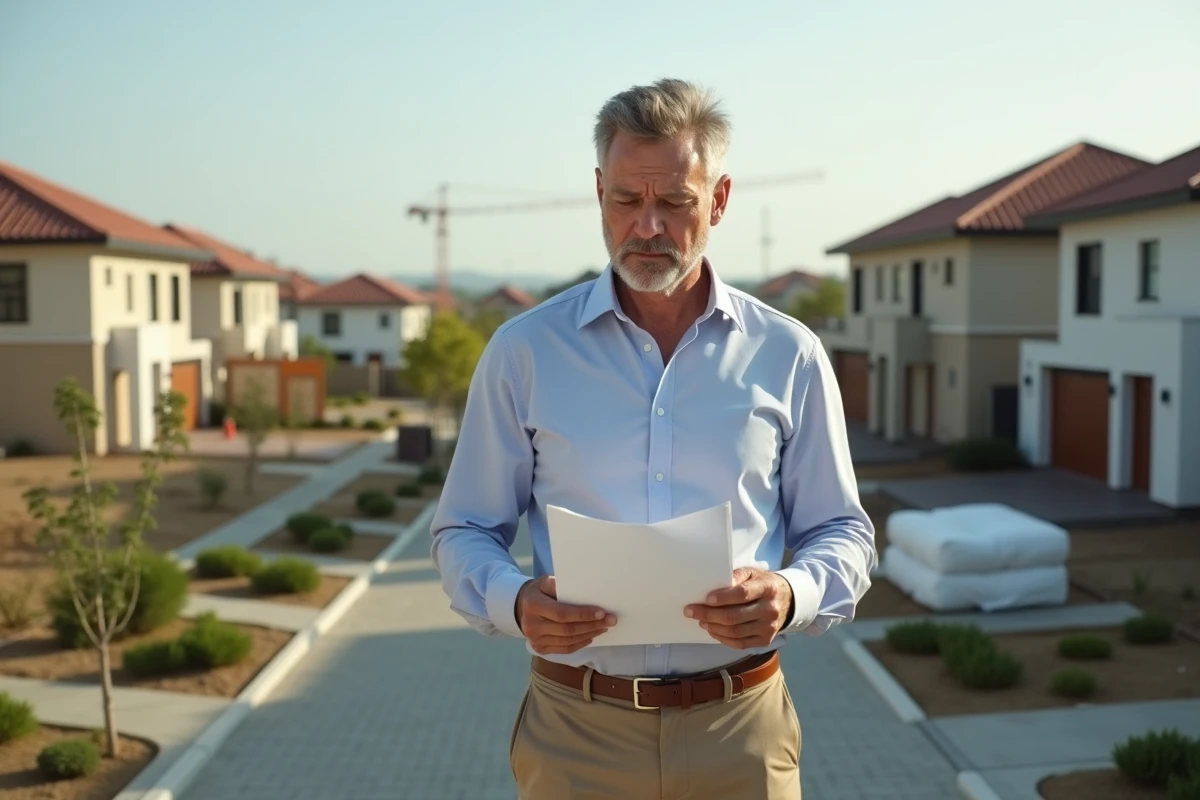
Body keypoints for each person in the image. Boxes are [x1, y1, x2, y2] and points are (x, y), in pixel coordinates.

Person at [430, 78, 876, 800]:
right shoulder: (524, 352)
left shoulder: (788, 354)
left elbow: (842, 530)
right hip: (575, 730)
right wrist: (514, 601)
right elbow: (463, 528)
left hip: (741, 730)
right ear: (598, 192)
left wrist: (791, 593)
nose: (647, 227)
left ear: (719, 200)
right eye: (626, 201)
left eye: (674, 202)